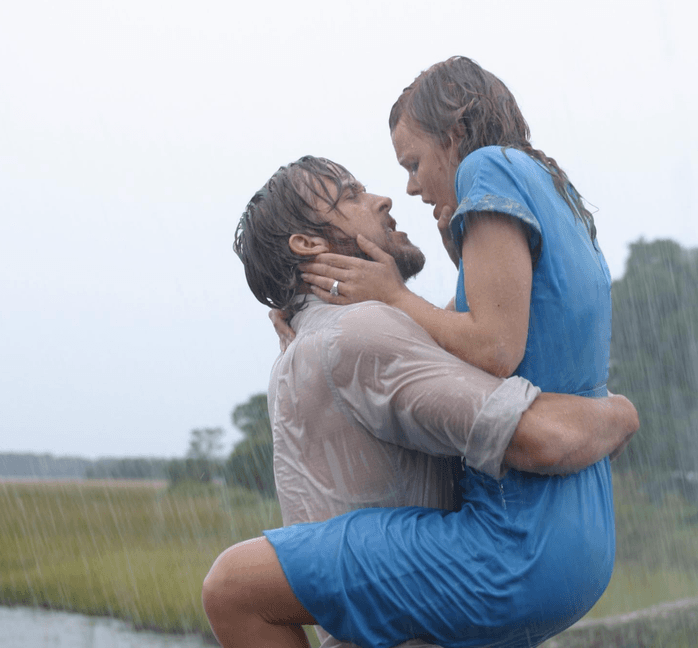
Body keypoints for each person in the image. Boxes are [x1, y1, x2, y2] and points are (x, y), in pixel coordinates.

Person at [203, 155, 638, 648]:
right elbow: (543, 441)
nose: (383, 198)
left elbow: (436, 336)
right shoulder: (356, 334)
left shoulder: (304, 350)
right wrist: (620, 412)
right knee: (233, 582)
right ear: (308, 245)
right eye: (350, 195)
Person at [297, 56, 620, 646]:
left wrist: (394, 296)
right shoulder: (554, 186)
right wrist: (461, 268)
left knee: (246, 584)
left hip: (520, 533)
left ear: (453, 135)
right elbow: (544, 334)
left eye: (414, 163)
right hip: (587, 524)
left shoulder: (486, 166)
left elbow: (496, 349)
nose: (411, 187)